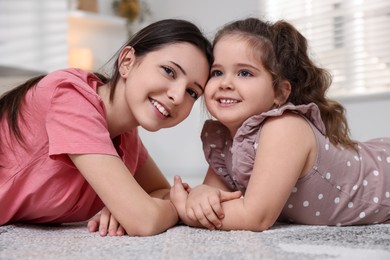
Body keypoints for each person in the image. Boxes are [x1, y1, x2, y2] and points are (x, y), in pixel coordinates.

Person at [170, 17, 390, 231]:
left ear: (280, 92)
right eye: (217, 72)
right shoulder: (223, 140)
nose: (225, 83)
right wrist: (200, 195)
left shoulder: (285, 127)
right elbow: (214, 195)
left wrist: (185, 210)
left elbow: (254, 217)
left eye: (244, 73)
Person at [0, 19, 213, 236]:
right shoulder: (70, 97)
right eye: (169, 71)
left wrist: (132, 206)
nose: (177, 96)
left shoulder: (126, 136)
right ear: (127, 61)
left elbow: (162, 192)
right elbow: (145, 220)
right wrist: (171, 209)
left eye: (192, 92)